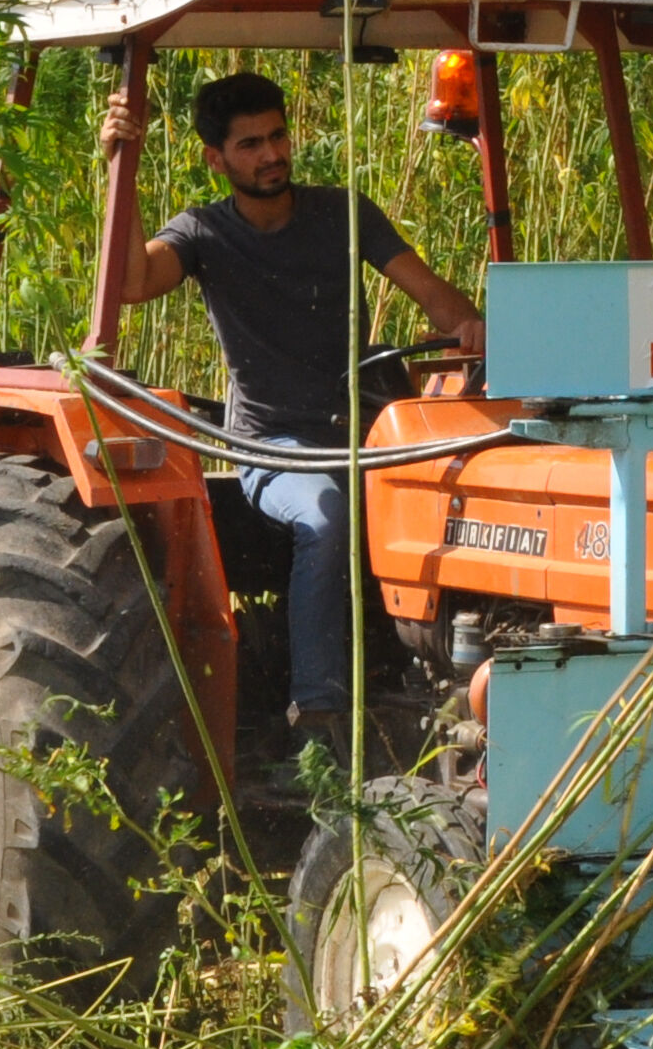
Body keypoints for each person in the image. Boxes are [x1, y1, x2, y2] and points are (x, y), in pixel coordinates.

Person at [99, 70, 485, 760]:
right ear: (216, 158)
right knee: (325, 516)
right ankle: (319, 722)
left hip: (366, 436)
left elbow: (431, 294)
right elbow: (132, 282)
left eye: (277, 136)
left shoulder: (342, 214)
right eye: (250, 145)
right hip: (273, 447)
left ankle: (454, 684)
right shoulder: (203, 231)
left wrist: (470, 327)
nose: (272, 155)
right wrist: (118, 172)